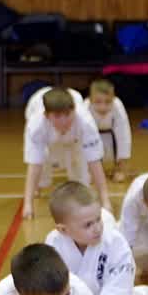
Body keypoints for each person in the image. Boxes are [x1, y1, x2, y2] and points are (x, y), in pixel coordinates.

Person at [22, 87, 110, 218]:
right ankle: (38, 186)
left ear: (74, 110)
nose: (63, 121)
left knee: (81, 176)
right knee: (43, 158)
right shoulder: (36, 125)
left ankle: (80, 183)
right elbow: (34, 164)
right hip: (35, 103)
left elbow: (94, 162)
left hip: (75, 136)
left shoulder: (85, 122)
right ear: (46, 116)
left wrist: (105, 200)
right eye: (57, 116)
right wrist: (27, 204)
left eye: (68, 115)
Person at [85, 78, 132, 181]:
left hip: (112, 136)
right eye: (98, 102)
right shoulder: (85, 107)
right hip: (93, 136)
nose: (103, 107)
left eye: (108, 102)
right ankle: (90, 169)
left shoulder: (117, 106)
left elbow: (123, 137)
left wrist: (121, 169)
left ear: (113, 98)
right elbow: (82, 140)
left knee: (117, 147)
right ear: (90, 99)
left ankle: (118, 169)